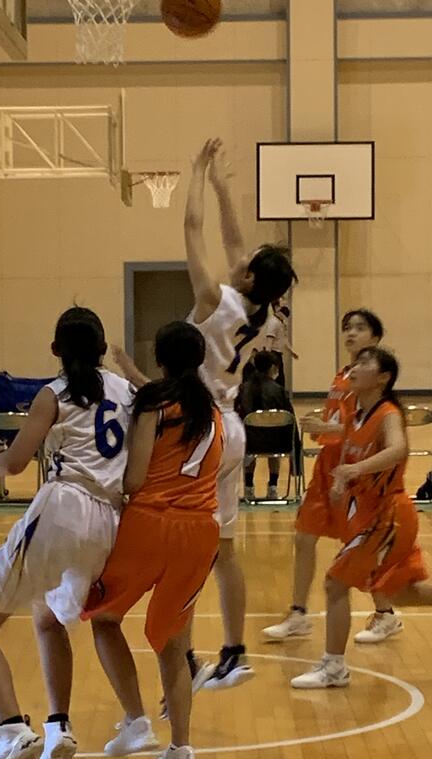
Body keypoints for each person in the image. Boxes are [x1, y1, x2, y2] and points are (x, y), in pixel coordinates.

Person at [0, 307, 132, 759]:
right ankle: (58, 728)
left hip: (64, 508)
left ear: (55, 349)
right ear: (102, 348)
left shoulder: (52, 395)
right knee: (48, 617)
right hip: (109, 521)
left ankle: (11, 729)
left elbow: (14, 464)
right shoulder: (126, 391)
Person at [83, 321, 223, 759]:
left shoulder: (154, 405)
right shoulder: (213, 411)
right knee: (173, 644)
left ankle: (136, 720)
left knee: (103, 618)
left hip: (151, 524)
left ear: (160, 358)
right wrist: (130, 369)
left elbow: (136, 477)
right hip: (201, 532)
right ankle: (181, 752)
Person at [184, 138, 297, 688]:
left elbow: (193, 229)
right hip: (232, 428)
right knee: (224, 551)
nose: (239, 257)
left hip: (197, 427)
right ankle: (233, 650)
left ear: (249, 277)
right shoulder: (263, 313)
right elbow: (234, 241)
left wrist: (195, 173)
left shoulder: (214, 298)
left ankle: (183, 655)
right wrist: (224, 187)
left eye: (247, 263)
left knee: (184, 544)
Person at [291, 347, 431, 689]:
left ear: (383, 377)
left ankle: (334, 667)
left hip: (389, 516)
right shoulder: (355, 415)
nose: (354, 368)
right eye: (354, 362)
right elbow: (346, 448)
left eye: (365, 363)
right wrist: (341, 480)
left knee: (335, 583)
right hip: (371, 515)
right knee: (402, 593)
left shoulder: (388, 413)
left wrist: (356, 469)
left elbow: (397, 449)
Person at [262, 309, 404, 643]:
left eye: (360, 328)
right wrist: (325, 428)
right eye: (347, 328)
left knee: (361, 545)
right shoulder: (345, 375)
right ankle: (298, 614)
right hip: (327, 467)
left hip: (356, 470)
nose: (351, 333)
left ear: (376, 337)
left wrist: (328, 428)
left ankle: (385, 613)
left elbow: (364, 428)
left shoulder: (373, 383)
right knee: (303, 537)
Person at [237, 350, 298, 501]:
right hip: (277, 444)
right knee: (276, 435)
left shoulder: (243, 389)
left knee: (249, 439)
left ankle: (249, 487)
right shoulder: (278, 390)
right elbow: (290, 419)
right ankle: (273, 487)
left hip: (249, 444)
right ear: (272, 368)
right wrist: (295, 445)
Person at [264, 301, 298, 388]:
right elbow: (269, 340)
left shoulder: (281, 322)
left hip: (278, 355)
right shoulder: (273, 323)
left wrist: (291, 351)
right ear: (276, 308)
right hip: (273, 354)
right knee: (277, 379)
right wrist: (267, 357)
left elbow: (284, 339)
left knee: (280, 379)